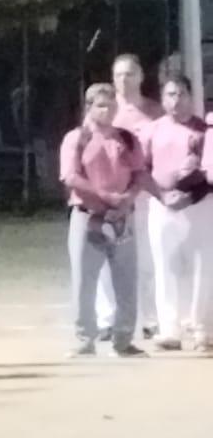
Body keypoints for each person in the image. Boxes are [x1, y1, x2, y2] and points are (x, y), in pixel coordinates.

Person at [61, 83, 149, 357]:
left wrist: (127, 199)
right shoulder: (77, 138)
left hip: (122, 217)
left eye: (112, 105)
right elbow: (70, 177)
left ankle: (124, 339)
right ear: (89, 107)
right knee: (84, 282)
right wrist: (103, 195)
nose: (108, 110)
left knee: (126, 280)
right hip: (88, 217)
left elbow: (139, 174)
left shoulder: (127, 139)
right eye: (101, 105)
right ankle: (85, 338)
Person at [141, 75, 210, 352]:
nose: (175, 100)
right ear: (162, 98)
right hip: (162, 206)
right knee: (165, 266)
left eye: (181, 94)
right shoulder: (152, 130)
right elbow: (142, 169)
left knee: (203, 267)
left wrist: (190, 196)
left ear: (191, 96)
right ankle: (169, 328)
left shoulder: (205, 130)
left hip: (200, 205)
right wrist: (162, 196)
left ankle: (201, 326)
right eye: (170, 94)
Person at [99, 55, 163, 341]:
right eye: (118, 75)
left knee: (148, 258)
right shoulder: (104, 112)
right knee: (107, 257)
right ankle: (108, 318)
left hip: (145, 195)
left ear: (140, 77)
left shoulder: (155, 111)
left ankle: (150, 317)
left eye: (129, 74)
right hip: (111, 196)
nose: (123, 80)